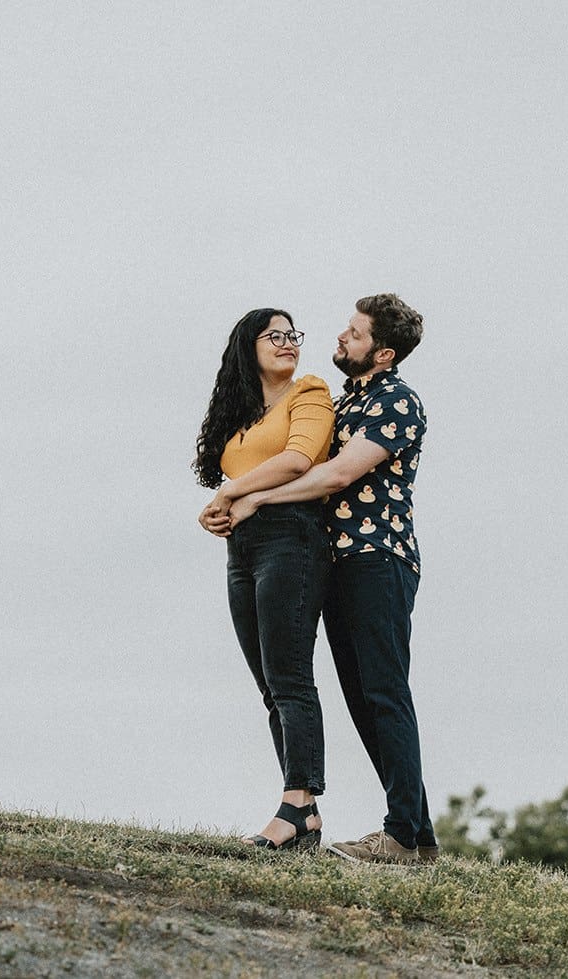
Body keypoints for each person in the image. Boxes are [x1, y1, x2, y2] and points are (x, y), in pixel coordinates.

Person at [206, 294, 436, 865]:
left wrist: (253, 498)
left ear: (382, 353)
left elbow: (333, 475)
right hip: (339, 561)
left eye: (354, 333)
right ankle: (420, 834)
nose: (340, 337)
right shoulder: (348, 399)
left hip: (378, 557)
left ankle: (401, 835)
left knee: (385, 693)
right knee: (363, 699)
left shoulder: (397, 401)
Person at [193, 308, 335, 851]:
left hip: (292, 536)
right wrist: (218, 512)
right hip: (244, 548)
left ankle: (296, 802)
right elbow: (234, 478)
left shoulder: (310, 392)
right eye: (273, 336)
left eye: (292, 335)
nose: (287, 342)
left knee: (290, 676)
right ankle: (306, 815)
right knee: (269, 686)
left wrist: (232, 494)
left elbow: (298, 460)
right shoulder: (241, 415)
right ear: (247, 347)